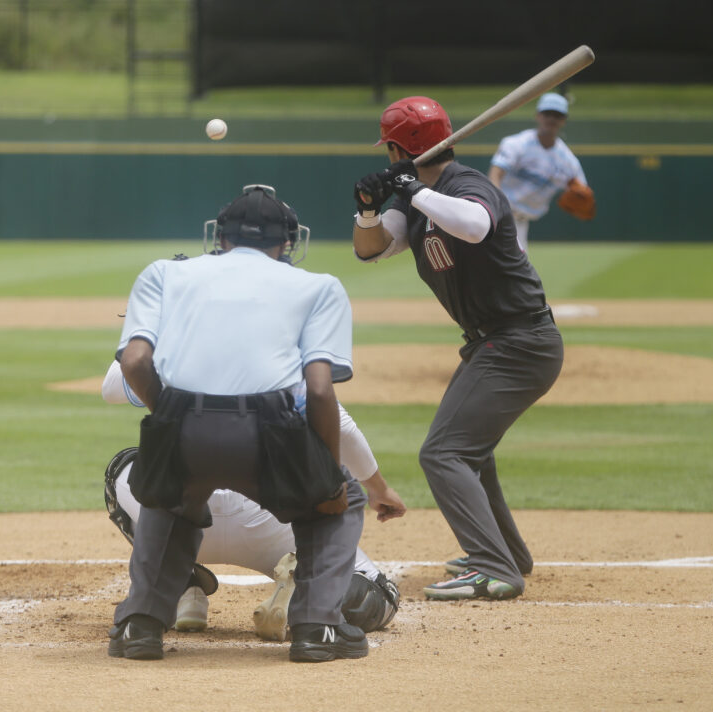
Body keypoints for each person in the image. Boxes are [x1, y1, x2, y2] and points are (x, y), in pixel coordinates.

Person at [109, 184, 398, 663]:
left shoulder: (164, 274)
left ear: (220, 237)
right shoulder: (318, 286)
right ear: (287, 242)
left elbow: (135, 362)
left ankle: (139, 626)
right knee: (340, 500)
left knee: (166, 496)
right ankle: (317, 629)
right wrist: (327, 477)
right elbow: (322, 391)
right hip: (270, 431)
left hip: (181, 420)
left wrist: (171, 418)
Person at [351, 96, 564, 601]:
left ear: (401, 148)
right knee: (470, 451)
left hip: (521, 342)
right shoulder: (415, 200)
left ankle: (495, 568)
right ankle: (506, 552)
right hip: (496, 343)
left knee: (444, 452)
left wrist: (411, 188)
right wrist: (367, 211)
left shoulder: (468, 187)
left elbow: (475, 225)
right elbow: (372, 249)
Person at [102, 359, 403, 642]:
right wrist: (377, 487)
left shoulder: (175, 337)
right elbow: (340, 423)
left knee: (125, 471)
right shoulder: (276, 336)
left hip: (178, 515)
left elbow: (113, 385)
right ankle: (308, 594)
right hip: (273, 518)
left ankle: (180, 588)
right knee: (381, 591)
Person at [488, 92, 592, 252]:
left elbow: (581, 191)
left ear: (563, 120)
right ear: (538, 115)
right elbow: (495, 175)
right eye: (547, 113)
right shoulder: (517, 144)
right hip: (495, 216)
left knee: (514, 273)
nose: (551, 119)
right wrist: (498, 206)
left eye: (557, 115)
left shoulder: (568, 162)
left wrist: (580, 195)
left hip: (521, 223)